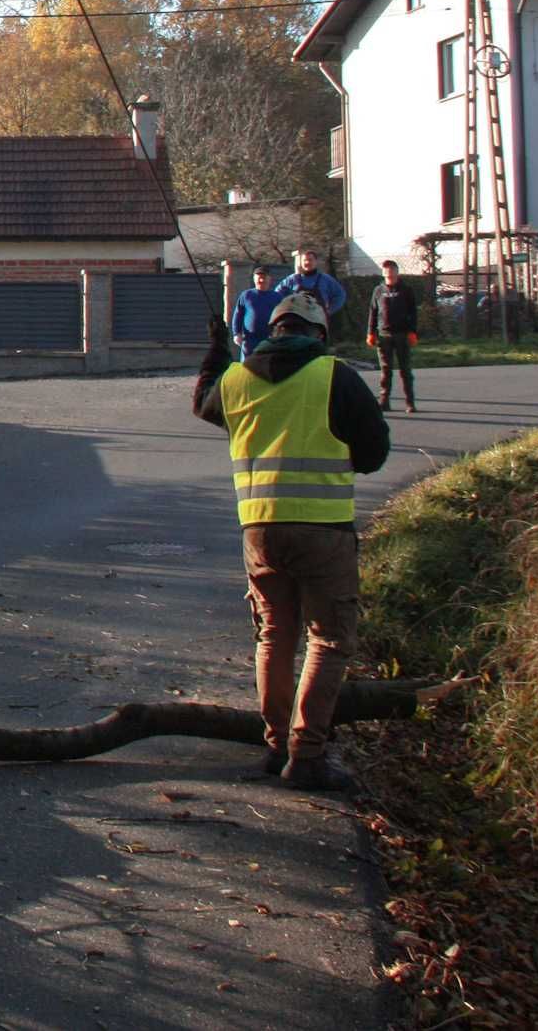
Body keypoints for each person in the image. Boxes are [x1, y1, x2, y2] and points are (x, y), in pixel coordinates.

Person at [194, 293, 389, 791]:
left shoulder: (237, 380)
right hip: (323, 527)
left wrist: (217, 352)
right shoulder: (333, 375)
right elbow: (373, 452)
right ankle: (307, 756)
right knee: (327, 639)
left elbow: (204, 404)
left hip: (258, 530)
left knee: (274, 635)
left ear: (273, 329)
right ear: (318, 333)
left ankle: (275, 743)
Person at [365, 259, 419, 414]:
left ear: (396, 271)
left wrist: (413, 331)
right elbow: (373, 312)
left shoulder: (406, 289)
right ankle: (384, 401)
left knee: (405, 370)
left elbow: (413, 312)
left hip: (402, 334)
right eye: (386, 270)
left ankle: (410, 402)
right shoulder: (378, 290)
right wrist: (370, 332)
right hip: (384, 335)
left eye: (391, 269)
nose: (389, 272)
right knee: (386, 370)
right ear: (383, 273)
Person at [273, 246, 346, 320]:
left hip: (318, 321)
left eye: (310, 260)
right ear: (301, 262)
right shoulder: (292, 279)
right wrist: (285, 308)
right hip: (295, 320)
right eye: (305, 260)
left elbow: (340, 295)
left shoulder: (326, 279)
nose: (307, 262)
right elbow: (276, 294)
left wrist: (329, 310)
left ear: (316, 261)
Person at [231, 265, 283, 361]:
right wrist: (236, 333)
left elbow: (282, 318)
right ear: (254, 279)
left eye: (264, 278)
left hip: (270, 339)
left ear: (269, 279)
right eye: (259, 278)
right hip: (249, 340)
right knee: (247, 368)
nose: (261, 280)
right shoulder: (246, 295)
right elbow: (238, 316)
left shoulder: (277, 297)